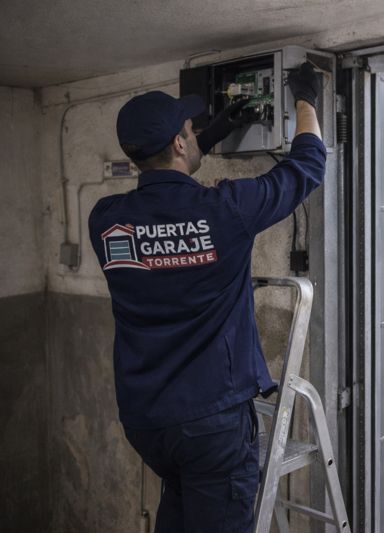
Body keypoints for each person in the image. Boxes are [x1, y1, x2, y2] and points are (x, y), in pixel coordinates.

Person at [88, 62, 324, 533]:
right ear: (179, 143)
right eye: (190, 130)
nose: (196, 133)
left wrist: (209, 136)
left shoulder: (106, 220)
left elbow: (163, 206)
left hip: (147, 421)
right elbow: (308, 166)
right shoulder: (226, 210)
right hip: (211, 424)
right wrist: (306, 98)